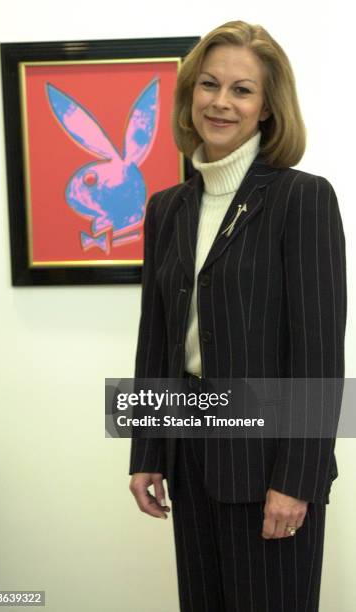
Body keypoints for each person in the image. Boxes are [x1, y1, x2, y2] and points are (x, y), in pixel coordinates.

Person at [129, 20, 347, 612]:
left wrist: (296, 480)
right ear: (189, 96)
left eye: (242, 90)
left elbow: (319, 354)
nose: (221, 102)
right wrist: (146, 451)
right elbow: (158, 336)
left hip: (269, 463)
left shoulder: (303, 199)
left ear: (267, 109)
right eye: (209, 85)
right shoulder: (166, 208)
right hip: (190, 452)